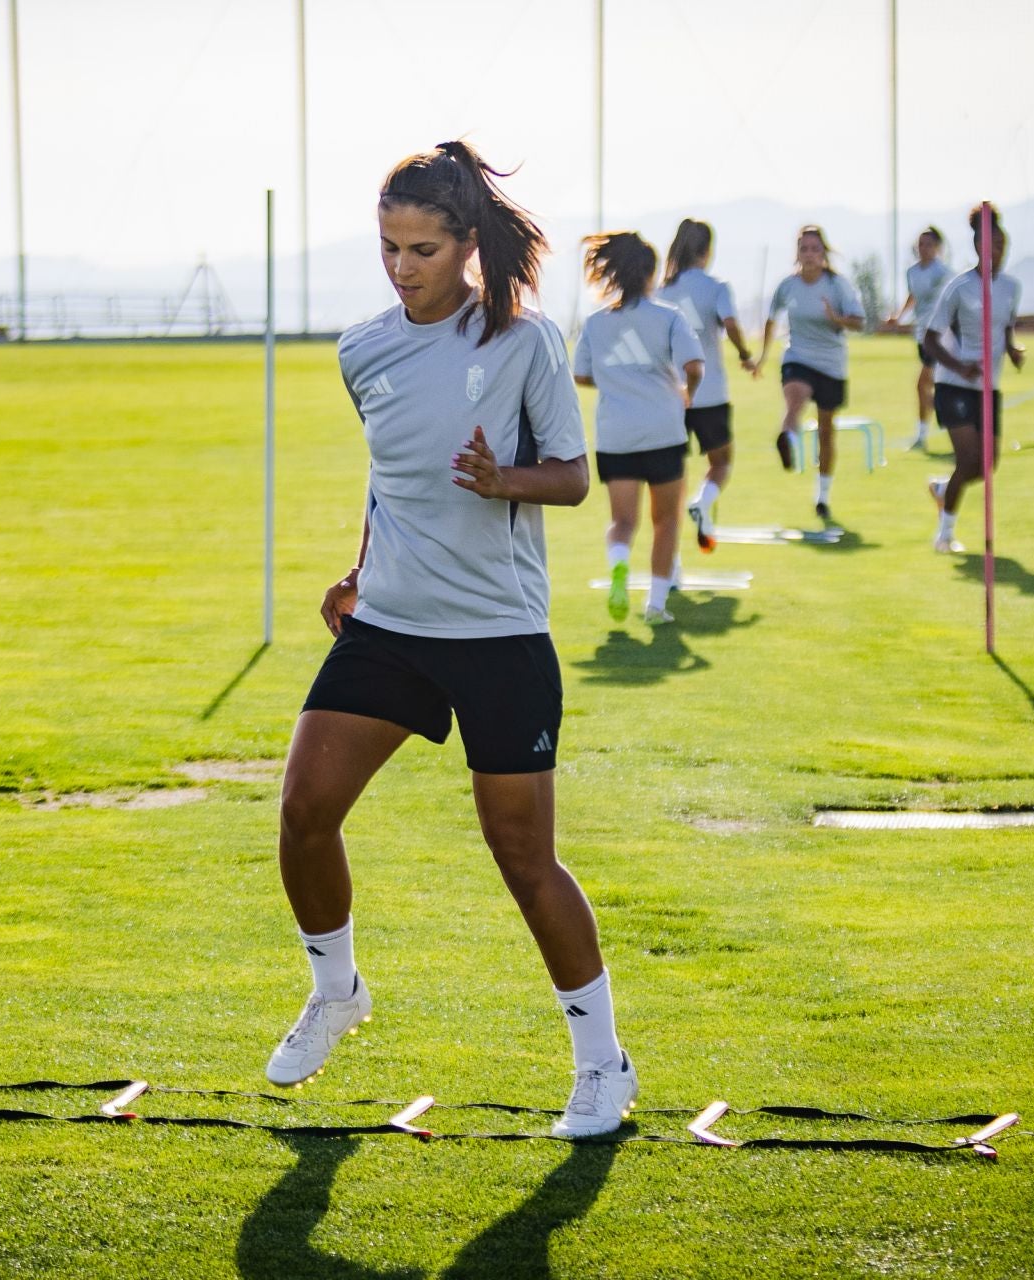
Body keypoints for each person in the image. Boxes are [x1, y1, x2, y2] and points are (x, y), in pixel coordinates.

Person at [268, 140, 637, 1139]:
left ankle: (603, 1063)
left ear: (467, 244)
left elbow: (570, 475)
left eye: (422, 248)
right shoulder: (362, 349)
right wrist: (357, 566)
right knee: (304, 807)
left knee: (524, 859)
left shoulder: (522, 341)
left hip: (497, 635)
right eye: (389, 247)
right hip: (389, 622)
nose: (402, 268)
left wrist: (501, 480)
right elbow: (390, 475)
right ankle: (336, 989)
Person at [574, 232, 704, 626]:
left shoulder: (595, 323)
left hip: (616, 435)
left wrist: (617, 382)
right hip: (662, 430)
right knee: (665, 521)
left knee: (622, 521)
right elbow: (694, 367)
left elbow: (581, 375)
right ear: (650, 272)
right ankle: (656, 605)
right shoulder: (668, 317)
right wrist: (686, 393)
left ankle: (619, 565)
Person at [921, 205, 1024, 554]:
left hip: (988, 387)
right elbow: (930, 339)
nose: (998, 252)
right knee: (967, 460)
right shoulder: (959, 288)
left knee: (987, 466)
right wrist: (960, 366)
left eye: (1002, 246)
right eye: (991, 245)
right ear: (979, 247)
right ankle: (945, 534)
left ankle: (942, 488)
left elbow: (1006, 325)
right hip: (953, 384)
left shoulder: (1011, 287)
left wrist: (1012, 349)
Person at [752, 225, 865, 523]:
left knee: (826, 432)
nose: (810, 255)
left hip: (831, 363)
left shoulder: (837, 286)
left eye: (816, 249)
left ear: (824, 253)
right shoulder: (787, 286)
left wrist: (836, 318)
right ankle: (787, 440)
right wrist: (762, 358)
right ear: (797, 254)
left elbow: (859, 322)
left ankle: (822, 496)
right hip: (798, 357)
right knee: (795, 400)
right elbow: (771, 320)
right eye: (805, 249)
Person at [658, 218, 755, 551]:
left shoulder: (662, 290)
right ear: (707, 250)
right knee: (721, 463)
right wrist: (745, 354)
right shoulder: (716, 287)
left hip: (672, 396)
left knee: (671, 478)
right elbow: (730, 323)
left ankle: (671, 567)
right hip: (711, 392)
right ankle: (703, 501)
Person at [888, 227, 950, 450]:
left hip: (939, 334)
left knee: (923, 383)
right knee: (929, 386)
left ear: (937, 248)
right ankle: (926, 432)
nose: (923, 249)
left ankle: (930, 428)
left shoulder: (943, 272)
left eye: (928, 244)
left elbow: (948, 302)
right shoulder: (912, 272)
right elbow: (913, 296)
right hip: (921, 334)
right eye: (921, 244)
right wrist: (898, 316)